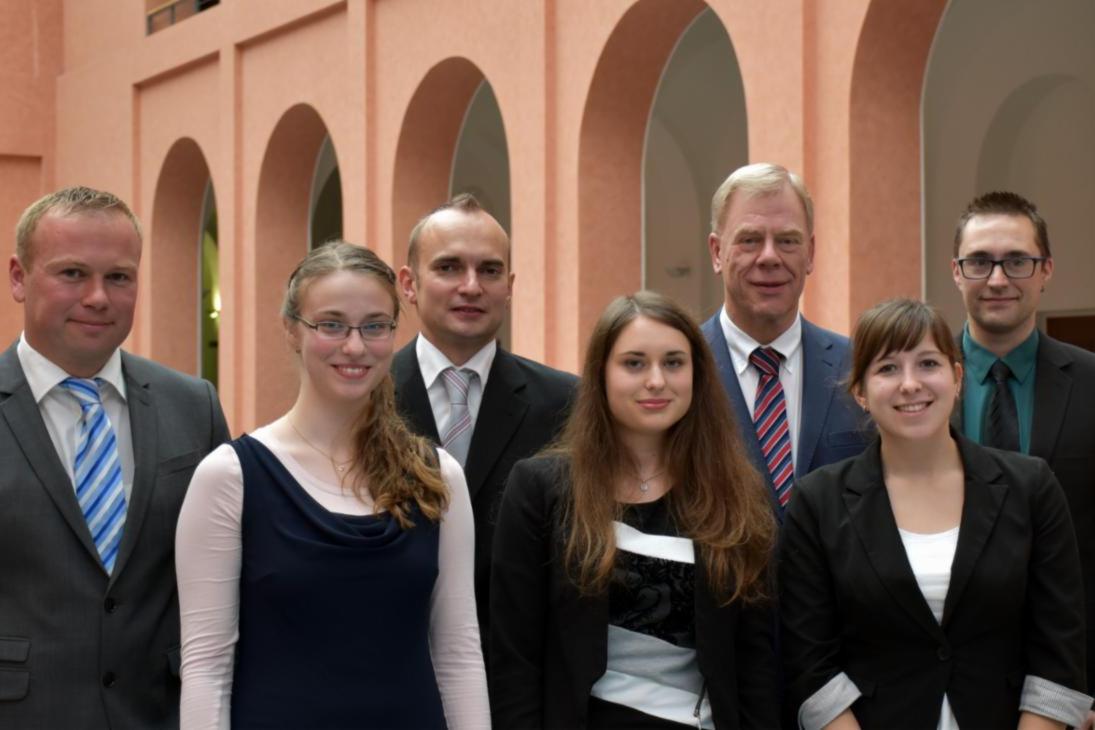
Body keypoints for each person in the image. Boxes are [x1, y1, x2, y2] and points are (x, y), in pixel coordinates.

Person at [176, 242, 489, 729]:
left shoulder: (438, 475)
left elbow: (458, 653)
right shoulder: (230, 478)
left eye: (375, 326)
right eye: (331, 324)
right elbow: (207, 667)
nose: (355, 346)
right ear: (291, 330)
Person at [779, 297, 1089, 730]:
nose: (910, 384)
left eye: (928, 363)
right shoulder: (818, 501)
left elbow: (1060, 647)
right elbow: (809, 659)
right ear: (860, 393)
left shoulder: (1031, 487)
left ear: (957, 377)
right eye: (887, 368)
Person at [491, 290, 778, 729]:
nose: (657, 380)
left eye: (674, 363)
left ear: (697, 376)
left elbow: (756, 662)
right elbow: (516, 657)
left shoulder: (735, 494)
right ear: (600, 374)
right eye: (634, 363)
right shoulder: (540, 488)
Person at [0, 186, 229, 728]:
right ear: (17, 277)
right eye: (73, 274)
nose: (99, 297)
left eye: (119, 277)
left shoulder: (192, 406)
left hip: (158, 714)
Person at [394, 193, 577, 640]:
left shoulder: (567, 403)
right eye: (449, 267)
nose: (471, 286)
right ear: (409, 283)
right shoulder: (367, 400)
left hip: (521, 674)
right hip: (399, 664)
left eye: (489, 270)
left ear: (510, 286)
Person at [951, 191, 1095, 722]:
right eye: (979, 261)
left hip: (1071, 682)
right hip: (941, 684)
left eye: (1017, 261)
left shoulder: (1091, 385)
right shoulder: (915, 387)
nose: (996, 278)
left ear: (1046, 270)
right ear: (956, 272)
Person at [702, 163, 869, 519]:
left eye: (787, 241)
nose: (769, 257)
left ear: (809, 252)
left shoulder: (860, 367)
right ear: (717, 252)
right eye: (749, 240)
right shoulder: (682, 368)